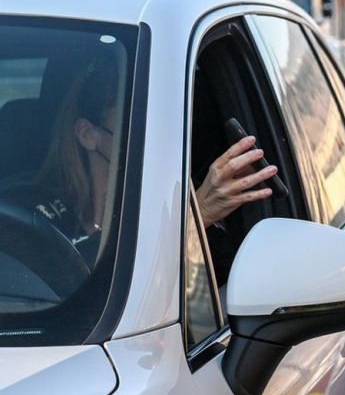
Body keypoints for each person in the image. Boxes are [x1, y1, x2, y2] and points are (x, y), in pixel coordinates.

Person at [31, 57, 276, 268]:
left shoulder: (166, 203)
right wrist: (196, 215)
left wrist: (197, 217)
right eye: (136, 124)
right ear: (87, 135)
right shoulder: (35, 212)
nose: (155, 136)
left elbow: (221, 295)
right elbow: (77, 291)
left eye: (160, 122)